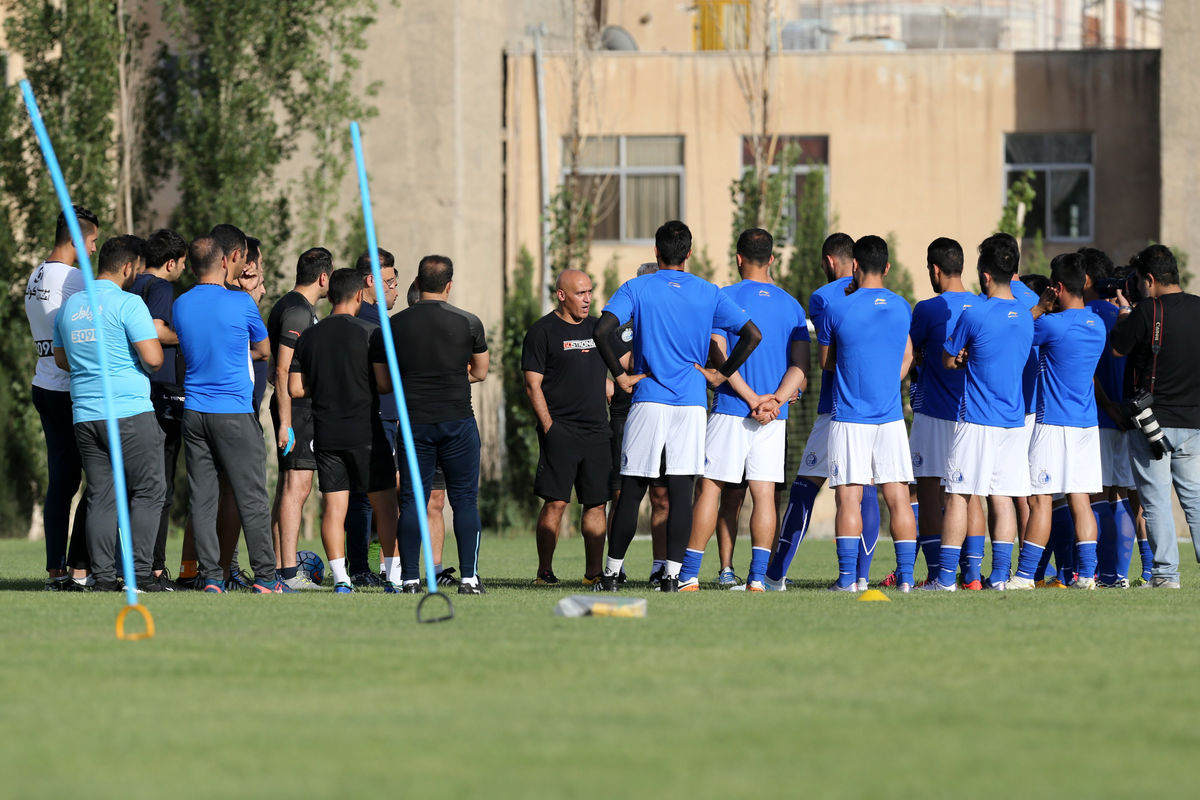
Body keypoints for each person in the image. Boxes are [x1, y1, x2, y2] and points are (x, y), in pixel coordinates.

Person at [594, 220, 762, 592]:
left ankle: (610, 575)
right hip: (690, 404)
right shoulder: (709, 291)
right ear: (689, 253)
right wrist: (720, 375)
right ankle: (672, 576)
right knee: (681, 490)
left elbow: (600, 331)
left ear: (655, 253)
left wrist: (619, 377)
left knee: (633, 488)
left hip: (648, 399)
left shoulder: (636, 287)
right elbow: (752, 335)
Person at [678, 228, 808, 592]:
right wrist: (776, 400)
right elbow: (800, 366)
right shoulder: (792, 305)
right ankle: (757, 579)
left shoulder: (722, 297)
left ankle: (688, 575)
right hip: (773, 416)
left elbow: (718, 354)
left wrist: (751, 398)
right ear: (771, 259)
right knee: (764, 493)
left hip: (733, 409)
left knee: (711, 489)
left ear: (738, 259)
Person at [764, 233, 879, 592]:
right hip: (877, 412)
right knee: (867, 492)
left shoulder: (824, 297)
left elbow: (826, 359)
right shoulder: (886, 300)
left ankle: (773, 577)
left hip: (837, 410)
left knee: (803, 490)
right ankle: (861, 578)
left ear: (830, 261)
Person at [173, 231, 285, 593]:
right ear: (225, 262)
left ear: (190, 267)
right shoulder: (241, 304)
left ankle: (211, 579)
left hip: (194, 413)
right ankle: (267, 578)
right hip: (233, 412)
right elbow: (264, 348)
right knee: (251, 496)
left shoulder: (181, 305)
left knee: (202, 499)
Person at [52, 235, 165, 592]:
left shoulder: (70, 307)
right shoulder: (129, 303)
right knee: (149, 490)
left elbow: (61, 359)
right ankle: (141, 575)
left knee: (101, 495)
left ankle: (101, 578)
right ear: (129, 267)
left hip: (86, 413)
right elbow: (153, 358)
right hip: (129, 411)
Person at [928, 234, 1034, 592]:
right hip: (1013, 422)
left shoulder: (974, 313)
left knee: (959, 495)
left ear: (984, 275)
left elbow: (947, 358)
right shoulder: (1025, 315)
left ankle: (944, 580)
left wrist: (962, 358)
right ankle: (1001, 577)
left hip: (976, 418)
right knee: (1002, 498)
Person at [818, 235, 919, 591]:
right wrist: (890, 382)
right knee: (898, 497)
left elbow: (825, 362)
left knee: (849, 496)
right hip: (890, 417)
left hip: (849, 416)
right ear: (887, 268)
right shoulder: (902, 306)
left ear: (854, 266)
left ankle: (848, 580)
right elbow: (908, 355)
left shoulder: (837, 308)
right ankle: (906, 578)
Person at [290, 269, 399, 593]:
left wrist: (324, 387)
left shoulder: (309, 335)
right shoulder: (370, 332)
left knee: (334, 508)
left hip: (326, 434)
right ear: (358, 295)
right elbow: (382, 384)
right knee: (385, 506)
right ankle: (392, 578)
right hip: (366, 431)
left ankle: (341, 579)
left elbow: (296, 388)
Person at [390, 255, 489, 594]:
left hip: (414, 422)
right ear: (449, 285)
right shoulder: (469, 322)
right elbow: (480, 371)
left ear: (417, 283)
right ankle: (468, 579)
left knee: (412, 502)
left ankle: (410, 579)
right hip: (458, 422)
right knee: (463, 500)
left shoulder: (394, 326)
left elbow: (383, 381)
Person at [1008, 253, 1106, 590]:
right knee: (1080, 499)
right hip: (1086, 424)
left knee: (1040, 500)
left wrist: (1038, 308)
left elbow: (1014, 330)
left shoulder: (1052, 324)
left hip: (1053, 424)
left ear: (1058, 287)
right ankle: (1088, 576)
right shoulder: (1098, 325)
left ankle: (1024, 576)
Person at [1111, 244, 1200, 589]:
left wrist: (1125, 316)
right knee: (1194, 499)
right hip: (1193, 421)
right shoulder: (1197, 307)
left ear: (1149, 279)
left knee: (1157, 501)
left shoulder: (1148, 311)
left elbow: (1118, 348)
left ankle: (1165, 576)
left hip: (1152, 424)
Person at [522, 269, 612, 587]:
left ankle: (593, 573)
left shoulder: (599, 328)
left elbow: (612, 371)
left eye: (590, 292)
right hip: (560, 430)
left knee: (597, 503)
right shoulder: (542, 331)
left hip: (598, 432)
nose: (587, 299)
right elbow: (533, 386)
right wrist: (550, 428)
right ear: (562, 295)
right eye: (580, 293)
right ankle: (545, 571)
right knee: (557, 502)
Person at [25, 205, 99, 591]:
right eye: (92, 242)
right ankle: (80, 568)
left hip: (44, 385)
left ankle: (58, 568)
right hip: (69, 388)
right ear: (75, 239)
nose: (92, 251)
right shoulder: (73, 279)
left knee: (62, 482)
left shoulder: (36, 274)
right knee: (97, 478)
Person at [908, 238, 986, 587]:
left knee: (927, 494)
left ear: (934, 270)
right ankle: (971, 575)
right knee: (968, 494)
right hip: (973, 414)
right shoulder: (983, 305)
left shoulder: (927, 308)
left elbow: (913, 353)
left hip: (933, 412)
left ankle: (937, 574)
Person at [267, 247, 330, 590]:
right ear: (324, 277)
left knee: (289, 488)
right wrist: (286, 422)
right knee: (297, 487)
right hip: (297, 414)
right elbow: (281, 369)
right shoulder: (296, 312)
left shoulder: (297, 307)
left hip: (298, 412)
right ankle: (289, 575)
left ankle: (280, 568)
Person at [1080, 248, 1142, 588]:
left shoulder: (1085, 314)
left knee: (1100, 495)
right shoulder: (1129, 314)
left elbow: (1085, 371)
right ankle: (1126, 573)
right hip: (1130, 417)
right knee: (1127, 495)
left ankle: (1101, 572)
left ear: (1086, 279)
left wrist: (1108, 406)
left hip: (1100, 418)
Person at [131, 228, 188, 591]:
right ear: (171, 263)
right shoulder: (162, 287)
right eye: (181, 264)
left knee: (131, 485)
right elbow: (154, 330)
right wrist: (186, 335)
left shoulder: (131, 284)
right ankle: (153, 567)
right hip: (160, 393)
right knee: (160, 486)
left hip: (133, 393)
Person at [607, 262, 670, 587]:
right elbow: (626, 363)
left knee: (663, 498)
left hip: (666, 415)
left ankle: (660, 567)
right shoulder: (622, 329)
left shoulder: (672, 325)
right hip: (625, 418)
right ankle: (615, 567)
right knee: (622, 497)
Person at [345, 248, 400, 587]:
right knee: (367, 496)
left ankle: (377, 567)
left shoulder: (380, 320)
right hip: (376, 416)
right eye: (391, 281)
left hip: (386, 416)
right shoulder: (367, 321)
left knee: (376, 496)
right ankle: (361, 567)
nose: (395, 289)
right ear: (371, 281)